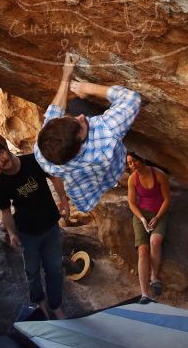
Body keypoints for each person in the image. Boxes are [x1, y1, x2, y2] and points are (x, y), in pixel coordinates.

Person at [34, 53, 141, 212]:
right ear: (78, 147)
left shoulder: (43, 154)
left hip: (91, 181)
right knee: (78, 104)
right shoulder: (106, 132)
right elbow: (131, 99)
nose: (81, 117)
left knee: (76, 105)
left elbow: (53, 114)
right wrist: (88, 88)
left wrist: (66, 76)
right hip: (113, 163)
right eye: (81, 126)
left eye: (70, 119)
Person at [0, 139, 70, 319]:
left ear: (6, 149)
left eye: (1, 153)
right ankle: (40, 303)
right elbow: (5, 213)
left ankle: (56, 306)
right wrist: (12, 233)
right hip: (27, 234)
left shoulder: (33, 160)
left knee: (55, 269)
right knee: (32, 272)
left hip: (50, 226)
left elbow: (54, 176)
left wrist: (63, 199)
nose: (2, 159)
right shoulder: (1, 185)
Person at [126, 152, 171, 304]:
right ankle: (145, 294)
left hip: (159, 213)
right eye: (130, 163)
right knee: (143, 250)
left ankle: (154, 276)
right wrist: (142, 219)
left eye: (134, 161)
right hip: (142, 215)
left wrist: (157, 217)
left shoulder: (159, 175)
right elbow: (132, 203)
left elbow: (167, 199)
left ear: (142, 159)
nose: (132, 165)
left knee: (155, 241)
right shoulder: (132, 179)